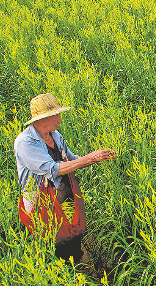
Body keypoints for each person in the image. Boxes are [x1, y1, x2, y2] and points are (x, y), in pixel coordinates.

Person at [14, 93, 116, 262]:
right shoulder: (25, 142)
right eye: (56, 115)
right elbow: (52, 169)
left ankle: (77, 257)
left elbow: (71, 160)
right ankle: (66, 271)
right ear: (42, 118)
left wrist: (98, 158)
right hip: (41, 198)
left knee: (73, 227)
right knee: (53, 236)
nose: (60, 119)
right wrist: (90, 157)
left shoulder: (55, 136)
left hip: (63, 190)